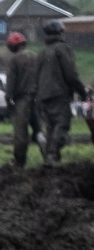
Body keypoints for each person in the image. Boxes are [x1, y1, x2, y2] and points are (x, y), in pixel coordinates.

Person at [27, 20, 84, 165]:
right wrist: (81, 90)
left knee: (51, 128)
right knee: (62, 125)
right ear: (60, 32)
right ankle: (52, 155)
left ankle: (50, 159)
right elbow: (71, 74)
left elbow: (36, 77)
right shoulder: (62, 49)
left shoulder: (42, 52)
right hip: (59, 94)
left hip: (43, 96)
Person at [2, 29, 38, 167]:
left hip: (22, 99)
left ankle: (19, 161)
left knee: (21, 132)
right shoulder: (36, 56)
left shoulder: (15, 60)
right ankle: (49, 156)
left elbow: (11, 82)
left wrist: (8, 99)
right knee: (38, 129)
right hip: (37, 98)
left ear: (12, 46)